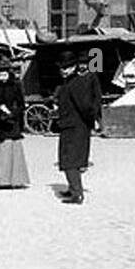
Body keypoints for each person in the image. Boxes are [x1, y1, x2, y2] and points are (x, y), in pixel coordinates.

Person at [54, 50, 99, 204]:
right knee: (68, 159)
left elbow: (85, 106)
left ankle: (77, 193)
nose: (63, 71)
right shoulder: (69, 83)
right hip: (70, 125)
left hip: (75, 126)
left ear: (74, 67)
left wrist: (91, 121)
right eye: (61, 68)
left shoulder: (76, 84)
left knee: (70, 161)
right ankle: (73, 188)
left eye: (66, 68)